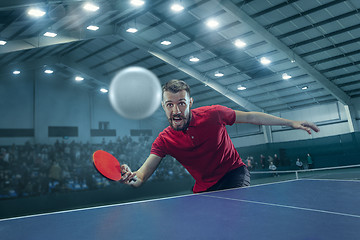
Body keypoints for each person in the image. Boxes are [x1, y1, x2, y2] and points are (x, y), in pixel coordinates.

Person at [120, 79, 320, 193]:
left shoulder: (213, 114)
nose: (176, 110)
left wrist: (290, 122)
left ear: (190, 103)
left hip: (233, 174)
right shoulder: (164, 140)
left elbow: (250, 117)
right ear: (163, 106)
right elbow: (141, 176)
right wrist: (130, 177)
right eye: (170, 104)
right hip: (203, 186)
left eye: (181, 103)